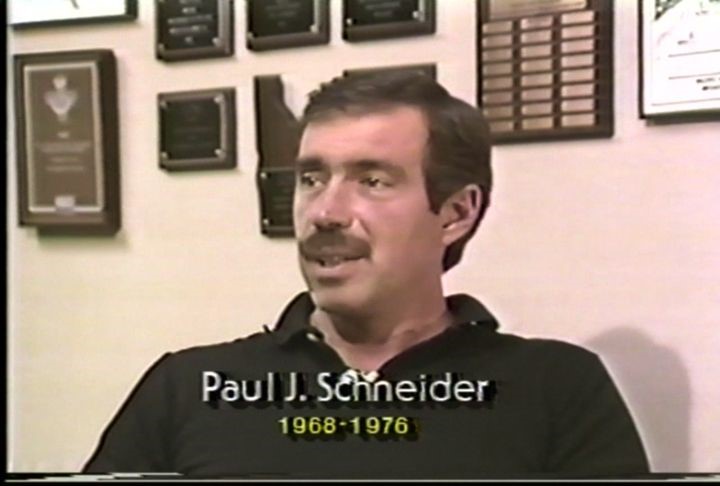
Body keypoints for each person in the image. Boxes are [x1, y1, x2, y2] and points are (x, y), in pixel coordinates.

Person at [84, 71, 649, 479]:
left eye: (372, 181)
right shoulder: (189, 388)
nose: (325, 212)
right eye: (312, 179)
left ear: (456, 213)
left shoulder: (554, 389)